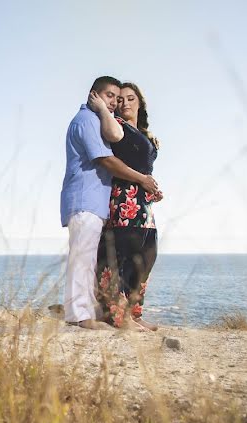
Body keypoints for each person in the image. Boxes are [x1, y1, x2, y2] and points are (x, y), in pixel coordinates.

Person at [61, 76, 159, 329]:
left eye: (120, 98)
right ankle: (80, 316)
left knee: (90, 259)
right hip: (86, 198)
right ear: (94, 95)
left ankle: (89, 313)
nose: (115, 102)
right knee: (85, 259)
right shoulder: (88, 120)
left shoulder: (95, 120)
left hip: (96, 200)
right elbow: (104, 159)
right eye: (110, 96)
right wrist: (142, 180)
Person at [90, 82, 163, 330]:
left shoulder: (143, 133)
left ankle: (134, 311)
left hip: (144, 203)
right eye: (120, 99)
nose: (124, 103)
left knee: (146, 255)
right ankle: (118, 316)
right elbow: (111, 152)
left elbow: (143, 166)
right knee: (119, 257)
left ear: (140, 102)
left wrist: (152, 188)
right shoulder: (116, 126)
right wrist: (103, 109)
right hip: (124, 200)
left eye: (130, 99)